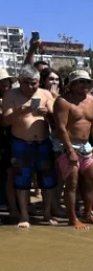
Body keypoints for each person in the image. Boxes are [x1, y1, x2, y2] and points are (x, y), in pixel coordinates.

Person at [1, 65, 57, 228]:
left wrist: (47, 112)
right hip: (20, 143)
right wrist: (20, 110)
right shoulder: (11, 94)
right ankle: (24, 215)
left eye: (34, 83)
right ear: (20, 81)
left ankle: (47, 213)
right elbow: (5, 121)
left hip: (43, 142)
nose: (31, 87)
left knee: (47, 180)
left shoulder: (45, 94)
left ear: (39, 81)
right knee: (21, 179)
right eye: (27, 83)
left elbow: (56, 118)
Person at [54, 70, 93, 230]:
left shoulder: (92, 101)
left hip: (86, 146)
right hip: (68, 145)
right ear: (73, 84)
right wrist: (70, 150)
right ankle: (72, 218)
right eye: (81, 82)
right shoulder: (63, 101)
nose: (85, 85)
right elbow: (61, 128)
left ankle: (88, 213)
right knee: (72, 183)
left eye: (87, 82)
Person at [0, 68, 19, 223]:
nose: (4, 87)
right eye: (1, 84)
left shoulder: (13, 98)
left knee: (11, 175)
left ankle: (13, 207)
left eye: (6, 83)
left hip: (11, 141)